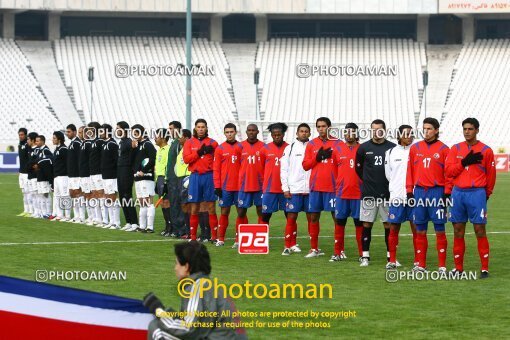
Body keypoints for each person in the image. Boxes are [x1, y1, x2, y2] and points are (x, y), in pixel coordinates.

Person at [144, 241, 246, 339]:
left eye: (177, 263)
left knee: (156, 328)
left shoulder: (197, 288)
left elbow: (188, 329)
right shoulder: (210, 286)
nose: (175, 268)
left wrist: (158, 311)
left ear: (186, 267)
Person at [446, 118, 496, 279]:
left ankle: (484, 269)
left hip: (477, 194)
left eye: (470, 129)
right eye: (465, 129)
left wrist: (486, 194)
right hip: (458, 193)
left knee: (479, 230)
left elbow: (491, 176)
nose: (467, 131)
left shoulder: (486, 150)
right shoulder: (455, 149)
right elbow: (449, 172)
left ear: (477, 130)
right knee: (458, 230)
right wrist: (464, 162)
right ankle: (458, 268)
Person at [406, 118, 451, 272]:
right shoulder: (415, 148)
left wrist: (446, 194)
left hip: (437, 192)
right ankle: (421, 265)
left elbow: (449, 174)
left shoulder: (445, 149)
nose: (426, 131)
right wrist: (409, 191)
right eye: (424, 128)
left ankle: (442, 266)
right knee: (420, 229)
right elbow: (409, 171)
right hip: (419, 193)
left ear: (436, 130)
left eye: (429, 128)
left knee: (439, 228)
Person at [356, 119, 396, 267]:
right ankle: (365, 256)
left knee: (388, 225)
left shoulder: (392, 148)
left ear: (384, 130)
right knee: (366, 224)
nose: (376, 132)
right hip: (368, 194)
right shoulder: (363, 148)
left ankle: (390, 257)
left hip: (387, 194)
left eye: (379, 129)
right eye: (373, 129)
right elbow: (359, 170)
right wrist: (369, 181)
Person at [302, 117, 339, 258]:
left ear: (329, 127)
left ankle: (339, 250)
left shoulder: (338, 143)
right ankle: (314, 249)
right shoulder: (311, 144)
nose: (321, 129)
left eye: (324, 126)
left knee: (337, 218)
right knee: (313, 217)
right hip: (316, 187)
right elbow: (305, 166)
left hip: (333, 187)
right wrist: (317, 158)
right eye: (319, 126)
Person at [331, 123, 363, 262]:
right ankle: (338, 252)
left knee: (359, 224)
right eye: (347, 132)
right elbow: (334, 171)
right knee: (339, 223)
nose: (349, 135)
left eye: (352, 132)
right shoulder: (337, 149)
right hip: (342, 194)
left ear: (356, 134)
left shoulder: (363, 149)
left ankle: (363, 254)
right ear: (344, 134)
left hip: (359, 194)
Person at [183, 119, 219, 242]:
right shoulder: (189, 142)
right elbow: (187, 159)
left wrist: (211, 147)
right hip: (195, 176)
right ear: (195, 128)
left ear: (206, 128)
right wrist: (199, 152)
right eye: (198, 127)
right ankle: (193, 237)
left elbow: (217, 150)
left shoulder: (212, 142)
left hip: (209, 176)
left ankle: (214, 237)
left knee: (211, 206)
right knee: (194, 207)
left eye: (203, 127)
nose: (201, 129)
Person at [385, 125, 415, 269]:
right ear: (398, 136)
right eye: (405, 134)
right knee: (394, 227)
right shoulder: (390, 152)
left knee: (417, 228)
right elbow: (388, 175)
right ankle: (392, 260)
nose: (408, 136)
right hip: (396, 196)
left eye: (411, 134)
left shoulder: (417, 151)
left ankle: (418, 260)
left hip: (415, 196)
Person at [280, 123, 311, 255]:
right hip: (294, 188)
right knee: (291, 217)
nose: (304, 133)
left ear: (309, 133)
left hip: (310, 189)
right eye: (301, 131)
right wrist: (285, 187)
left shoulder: (313, 146)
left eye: (306, 131)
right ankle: (288, 245)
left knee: (312, 218)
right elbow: (284, 169)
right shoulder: (290, 148)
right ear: (297, 133)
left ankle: (313, 247)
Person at [234, 124, 265, 248]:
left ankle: (261, 238)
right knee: (241, 212)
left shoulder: (263, 146)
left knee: (261, 212)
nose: (251, 132)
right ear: (246, 132)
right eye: (249, 130)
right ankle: (238, 239)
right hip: (244, 185)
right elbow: (236, 166)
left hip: (260, 185)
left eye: (254, 130)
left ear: (257, 131)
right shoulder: (240, 146)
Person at [213, 123, 243, 246]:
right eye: (227, 132)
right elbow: (216, 169)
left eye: (231, 132)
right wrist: (217, 186)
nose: (229, 134)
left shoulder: (241, 147)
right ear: (224, 133)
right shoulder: (220, 148)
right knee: (224, 212)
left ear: (235, 132)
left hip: (239, 187)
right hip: (225, 187)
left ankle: (238, 240)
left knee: (241, 212)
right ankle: (221, 239)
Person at [260, 123, 289, 225]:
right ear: (271, 135)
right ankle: (262, 240)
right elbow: (261, 168)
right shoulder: (265, 149)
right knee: (265, 216)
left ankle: (291, 241)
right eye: (274, 134)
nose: (277, 136)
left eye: (279, 134)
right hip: (269, 188)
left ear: (283, 134)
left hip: (285, 189)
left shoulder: (289, 148)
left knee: (290, 216)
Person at [132, 124, 157, 233]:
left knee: (148, 201)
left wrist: (144, 170)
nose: (134, 135)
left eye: (136, 133)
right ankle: (142, 226)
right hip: (138, 177)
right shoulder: (138, 145)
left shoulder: (148, 144)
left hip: (146, 177)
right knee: (142, 202)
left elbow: (153, 159)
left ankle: (150, 227)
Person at [116, 121, 139, 231]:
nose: (116, 130)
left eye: (118, 128)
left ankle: (134, 222)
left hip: (127, 170)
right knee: (122, 197)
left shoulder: (130, 142)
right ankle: (128, 221)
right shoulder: (121, 142)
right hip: (120, 170)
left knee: (127, 195)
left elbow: (134, 157)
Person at [164, 121, 185, 237]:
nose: (169, 131)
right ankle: (176, 229)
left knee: (178, 203)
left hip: (177, 178)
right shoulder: (173, 143)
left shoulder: (179, 143)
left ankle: (182, 229)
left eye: (171, 129)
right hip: (171, 178)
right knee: (173, 203)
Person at [100, 124, 120, 229]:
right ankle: (111, 221)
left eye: (102, 131)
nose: (100, 133)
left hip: (112, 176)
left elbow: (117, 160)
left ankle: (116, 223)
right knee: (107, 198)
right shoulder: (104, 144)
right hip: (105, 176)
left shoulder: (112, 144)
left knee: (112, 198)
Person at [175, 129, 192, 239]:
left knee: (188, 205)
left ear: (186, 138)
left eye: (180, 136)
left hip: (187, 179)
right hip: (180, 179)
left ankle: (191, 231)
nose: (178, 138)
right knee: (183, 205)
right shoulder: (181, 149)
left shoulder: (190, 148)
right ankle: (188, 230)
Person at [88, 121, 106, 227]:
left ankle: (104, 219)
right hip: (92, 173)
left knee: (101, 196)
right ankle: (96, 218)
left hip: (98, 173)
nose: (88, 131)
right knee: (94, 195)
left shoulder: (100, 142)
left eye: (90, 129)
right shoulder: (93, 141)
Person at [154, 128, 171, 235]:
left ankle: (171, 227)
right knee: (163, 203)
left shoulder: (168, 149)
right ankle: (167, 226)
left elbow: (168, 167)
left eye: (157, 136)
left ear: (163, 138)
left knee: (167, 202)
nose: (155, 138)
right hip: (159, 178)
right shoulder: (159, 150)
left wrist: (165, 181)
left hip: (165, 179)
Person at [51, 131, 70, 222]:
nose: (53, 139)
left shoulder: (64, 149)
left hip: (63, 176)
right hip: (56, 176)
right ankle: (59, 215)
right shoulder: (57, 149)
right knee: (57, 196)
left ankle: (67, 216)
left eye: (54, 138)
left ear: (59, 139)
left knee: (65, 196)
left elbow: (68, 163)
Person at [66, 124, 82, 223]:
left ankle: (81, 217)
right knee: (72, 195)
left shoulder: (77, 143)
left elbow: (79, 159)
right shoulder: (72, 143)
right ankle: (76, 216)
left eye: (69, 132)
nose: (67, 133)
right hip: (71, 174)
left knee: (78, 195)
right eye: (67, 132)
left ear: (74, 132)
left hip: (76, 174)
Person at [34, 135, 53, 219]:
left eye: (37, 141)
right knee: (41, 195)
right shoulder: (39, 150)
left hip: (44, 177)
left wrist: (49, 178)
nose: (36, 142)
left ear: (42, 141)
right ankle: (43, 212)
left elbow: (48, 165)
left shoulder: (46, 151)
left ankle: (48, 212)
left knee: (46, 195)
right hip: (40, 176)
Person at [78, 125, 93, 224]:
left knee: (89, 196)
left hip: (87, 174)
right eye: (79, 132)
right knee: (84, 196)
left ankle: (93, 216)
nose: (80, 134)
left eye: (81, 132)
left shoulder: (88, 144)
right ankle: (89, 216)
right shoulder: (82, 144)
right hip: (82, 174)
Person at [26, 132, 39, 217]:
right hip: (30, 176)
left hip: (35, 176)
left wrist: (30, 166)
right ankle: (35, 211)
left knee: (37, 194)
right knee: (32, 194)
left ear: (33, 140)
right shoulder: (30, 150)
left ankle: (39, 212)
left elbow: (36, 164)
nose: (27, 141)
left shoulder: (37, 150)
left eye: (28, 139)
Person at [17, 128, 30, 217]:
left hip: (27, 173)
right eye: (19, 135)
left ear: (25, 135)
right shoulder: (19, 144)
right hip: (21, 172)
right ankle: (26, 210)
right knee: (24, 192)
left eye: (22, 135)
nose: (20, 136)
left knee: (28, 192)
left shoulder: (27, 145)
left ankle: (30, 211)